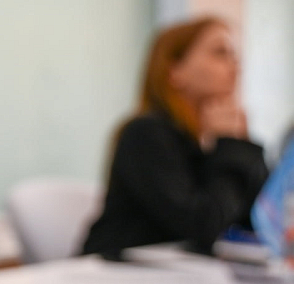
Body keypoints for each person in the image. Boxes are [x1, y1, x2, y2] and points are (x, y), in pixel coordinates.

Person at [83, 17, 268, 259]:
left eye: (235, 55)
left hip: (175, 271)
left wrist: (239, 143)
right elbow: (202, 225)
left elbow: (260, 218)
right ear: (174, 71)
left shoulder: (206, 140)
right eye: (220, 53)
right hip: (116, 273)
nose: (236, 66)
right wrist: (231, 146)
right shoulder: (145, 134)